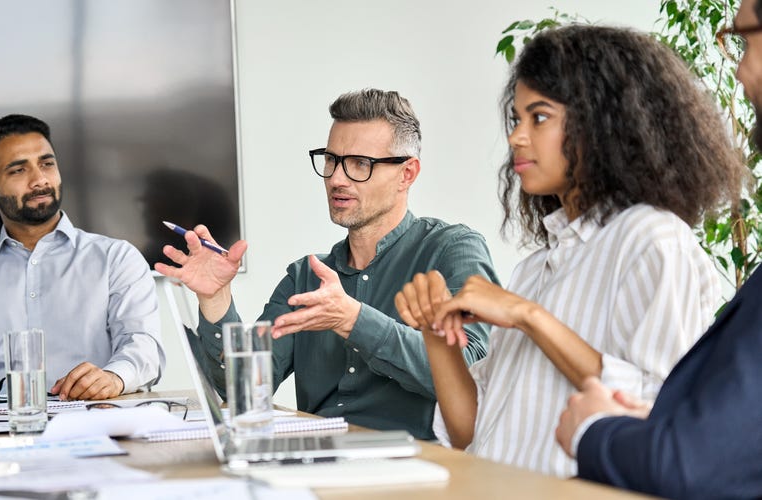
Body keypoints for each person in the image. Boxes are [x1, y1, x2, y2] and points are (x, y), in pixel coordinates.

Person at [394, 25, 745, 476]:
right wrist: (436, 332)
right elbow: (472, 431)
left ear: (603, 123)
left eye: (539, 117)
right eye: (516, 120)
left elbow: (660, 413)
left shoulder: (653, 239)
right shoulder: (535, 268)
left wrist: (527, 315)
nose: (517, 138)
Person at [155, 89, 499, 439]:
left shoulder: (452, 249)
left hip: (415, 462)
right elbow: (241, 390)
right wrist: (216, 299)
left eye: (360, 163)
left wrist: (354, 320)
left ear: (407, 174)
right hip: (318, 458)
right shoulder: (305, 276)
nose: (336, 178)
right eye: (331, 160)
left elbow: (473, 373)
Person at [554, 2, 762, 497]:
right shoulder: (537, 262)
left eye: (745, 39)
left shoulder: (657, 240)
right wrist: (661, 427)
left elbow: (693, 465)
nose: (738, 69)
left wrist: (593, 430)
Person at [0, 114, 164, 401]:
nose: (39, 179)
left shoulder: (117, 259)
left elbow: (143, 347)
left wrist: (115, 377)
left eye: (47, 164)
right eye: (18, 170)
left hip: (95, 418)